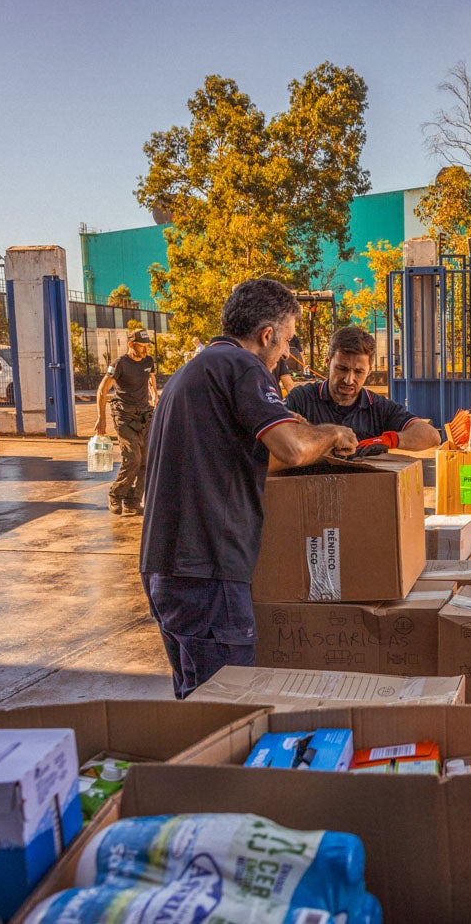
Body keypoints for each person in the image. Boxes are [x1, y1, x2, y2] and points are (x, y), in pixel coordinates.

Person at [140, 279, 358, 699]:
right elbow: (291, 449)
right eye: (287, 341)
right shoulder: (242, 367)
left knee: (199, 707)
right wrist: (331, 434)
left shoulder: (190, 373)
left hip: (166, 569)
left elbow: (241, 456)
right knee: (228, 713)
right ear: (266, 335)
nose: (286, 354)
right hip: (207, 571)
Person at [285, 326, 441, 451]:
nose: (349, 379)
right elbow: (273, 435)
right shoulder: (301, 399)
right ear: (328, 362)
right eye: (342, 368)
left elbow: (431, 436)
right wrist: (327, 436)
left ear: (370, 370)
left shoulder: (379, 407)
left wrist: (388, 440)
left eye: (358, 372)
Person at [94, 329, 157, 516]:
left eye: (147, 346)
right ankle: (115, 494)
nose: (145, 349)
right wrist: (101, 418)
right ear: (131, 345)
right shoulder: (119, 364)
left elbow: (151, 380)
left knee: (145, 461)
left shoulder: (148, 361)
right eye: (142, 346)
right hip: (124, 415)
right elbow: (102, 390)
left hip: (144, 414)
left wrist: (155, 396)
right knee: (133, 458)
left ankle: (133, 501)